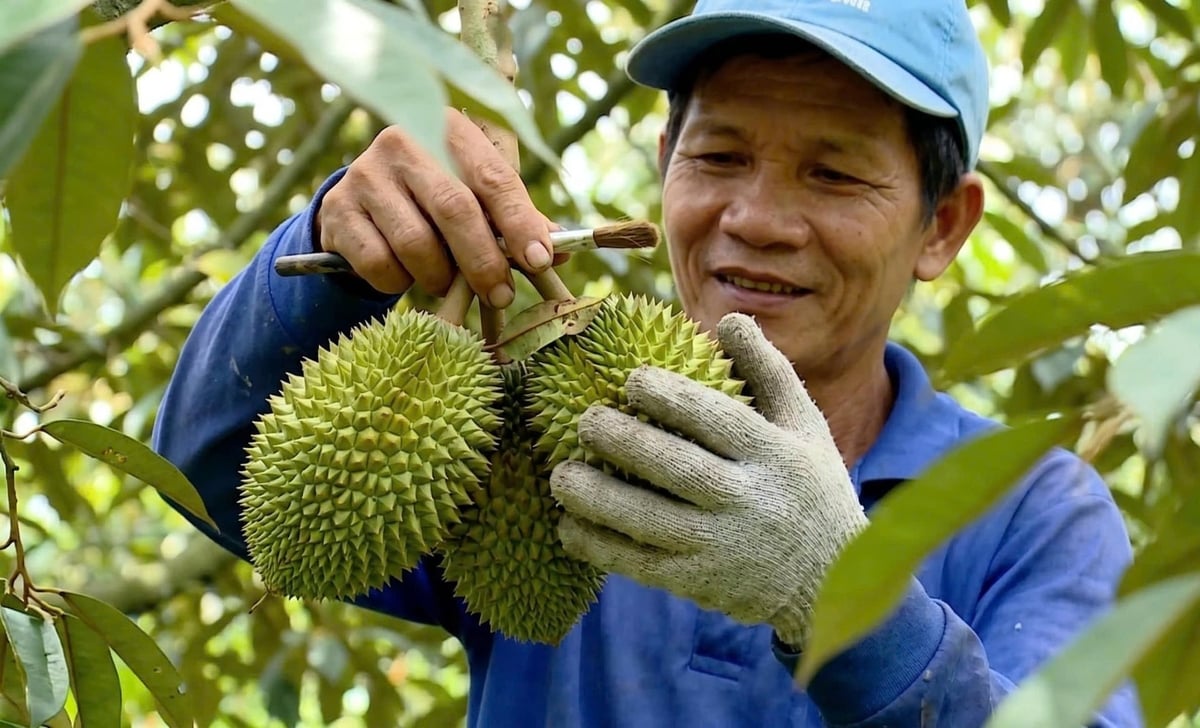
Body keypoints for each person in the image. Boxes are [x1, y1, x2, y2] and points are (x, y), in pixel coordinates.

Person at [152, 0, 1142, 725]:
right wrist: (336, 248)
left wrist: (838, 593)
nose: (753, 220)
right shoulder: (533, 440)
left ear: (944, 225)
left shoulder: (1033, 511)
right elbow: (212, 476)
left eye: (833, 173)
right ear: (665, 159)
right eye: (717, 158)